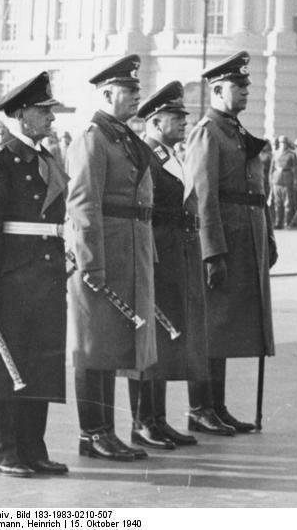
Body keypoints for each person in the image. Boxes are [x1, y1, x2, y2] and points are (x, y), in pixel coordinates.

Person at [0, 71, 69, 477]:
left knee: (37, 362)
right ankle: (4, 452)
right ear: (22, 115)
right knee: (2, 368)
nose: (50, 119)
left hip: (43, 276)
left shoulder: (47, 159)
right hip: (8, 278)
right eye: (44, 112)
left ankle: (31, 448)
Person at [65, 54, 158, 461]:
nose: (137, 97)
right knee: (94, 345)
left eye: (138, 90)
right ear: (106, 93)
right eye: (129, 91)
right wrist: (91, 263)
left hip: (128, 249)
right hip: (102, 254)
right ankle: (94, 433)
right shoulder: (93, 138)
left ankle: (106, 431)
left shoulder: (121, 136)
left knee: (114, 343)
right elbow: (84, 205)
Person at [185, 50, 277, 435]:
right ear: (217, 90)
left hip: (246, 239)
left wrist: (267, 234)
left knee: (223, 328)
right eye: (238, 88)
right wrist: (212, 251)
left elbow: (258, 191)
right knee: (211, 326)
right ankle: (200, 407)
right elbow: (202, 196)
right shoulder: (207, 132)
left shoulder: (235, 131)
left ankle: (216, 406)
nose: (245, 94)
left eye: (245, 87)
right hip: (225, 242)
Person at [125, 81, 207, 449]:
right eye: (177, 117)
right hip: (156, 251)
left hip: (176, 252)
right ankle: (143, 421)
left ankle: (157, 418)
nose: (184, 123)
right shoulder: (145, 155)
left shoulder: (172, 155)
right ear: (156, 121)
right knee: (152, 337)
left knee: (167, 336)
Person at [269, 135, 297, 229]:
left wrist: (295, 181)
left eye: (284, 143)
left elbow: (295, 170)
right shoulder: (275, 154)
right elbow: (271, 169)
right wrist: (271, 181)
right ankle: (278, 222)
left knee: (287, 203)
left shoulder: (291, 154)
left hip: (287, 180)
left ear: (287, 144)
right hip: (277, 180)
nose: (282, 145)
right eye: (281, 143)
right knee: (277, 203)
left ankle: (286, 222)